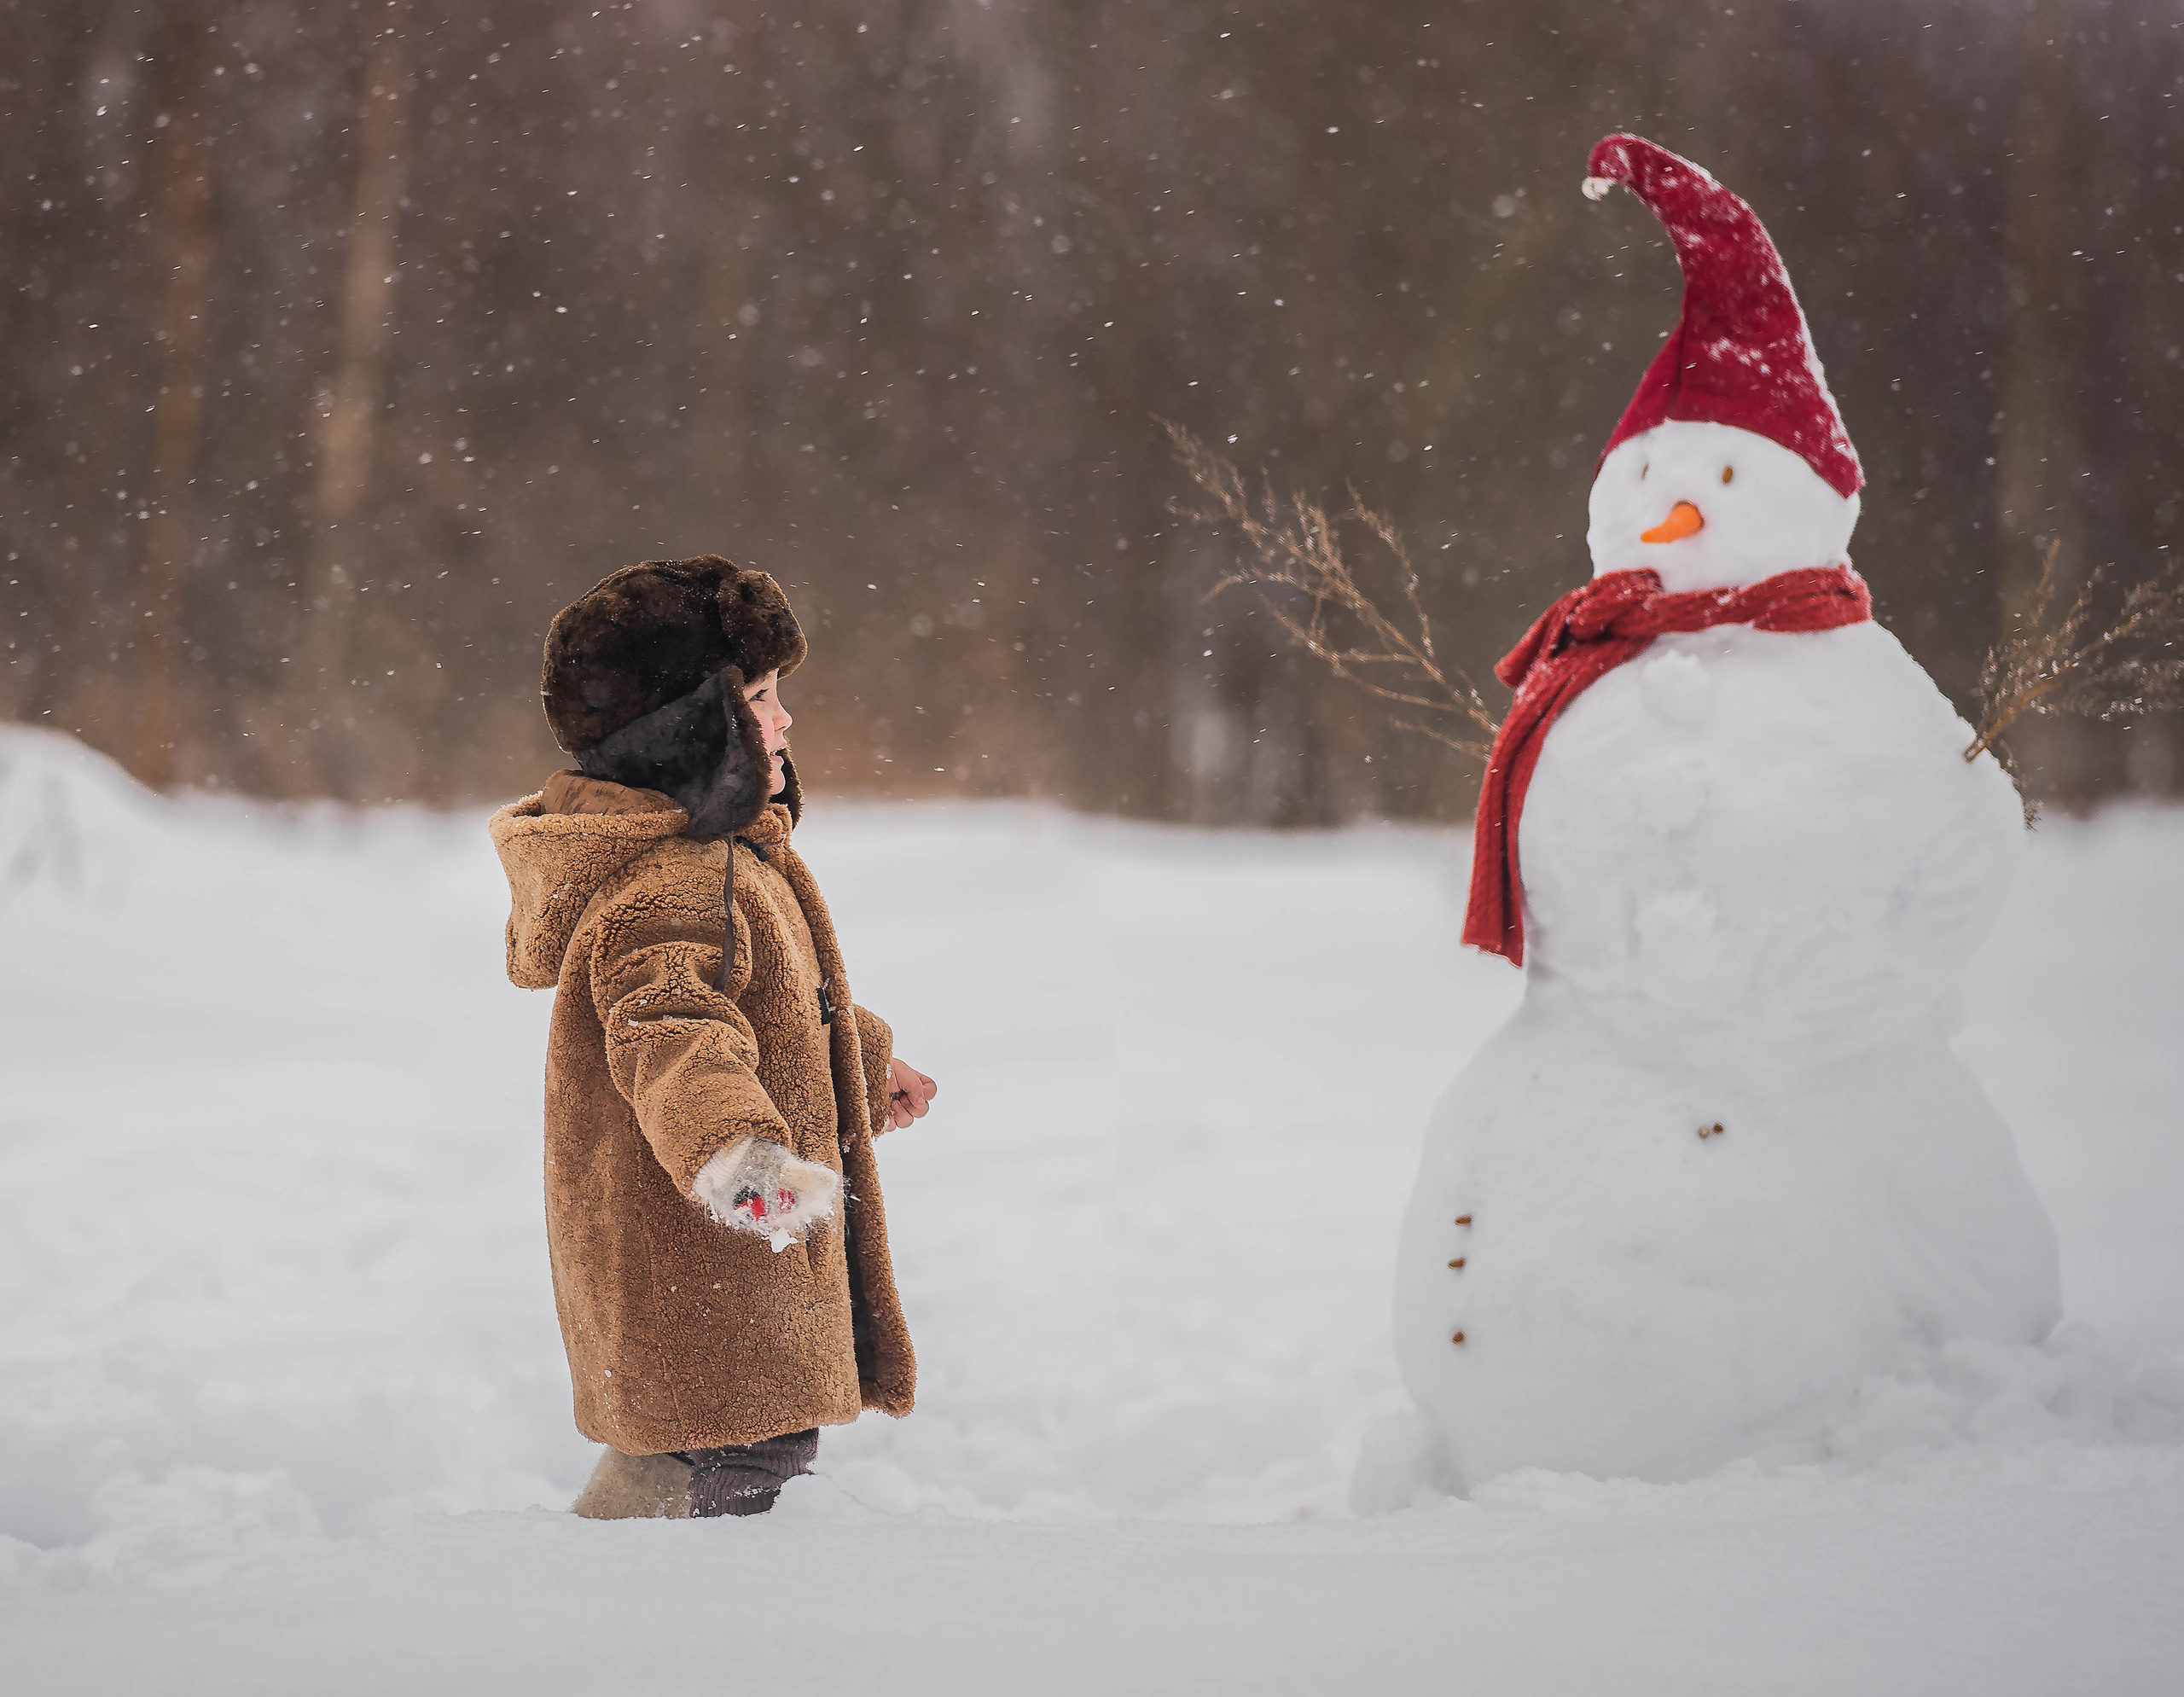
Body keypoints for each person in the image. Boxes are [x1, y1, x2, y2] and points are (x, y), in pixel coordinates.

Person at [490, 555, 936, 1518]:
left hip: (704, 1294)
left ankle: (666, 1597)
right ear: (692, 730)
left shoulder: (710, 863)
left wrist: (858, 1060)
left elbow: (759, 1012)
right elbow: (673, 1031)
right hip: (710, 1291)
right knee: (718, 1474)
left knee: (708, 1457)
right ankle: (677, 1630)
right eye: (762, 699)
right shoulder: (676, 886)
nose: (783, 721)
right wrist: (741, 1161)